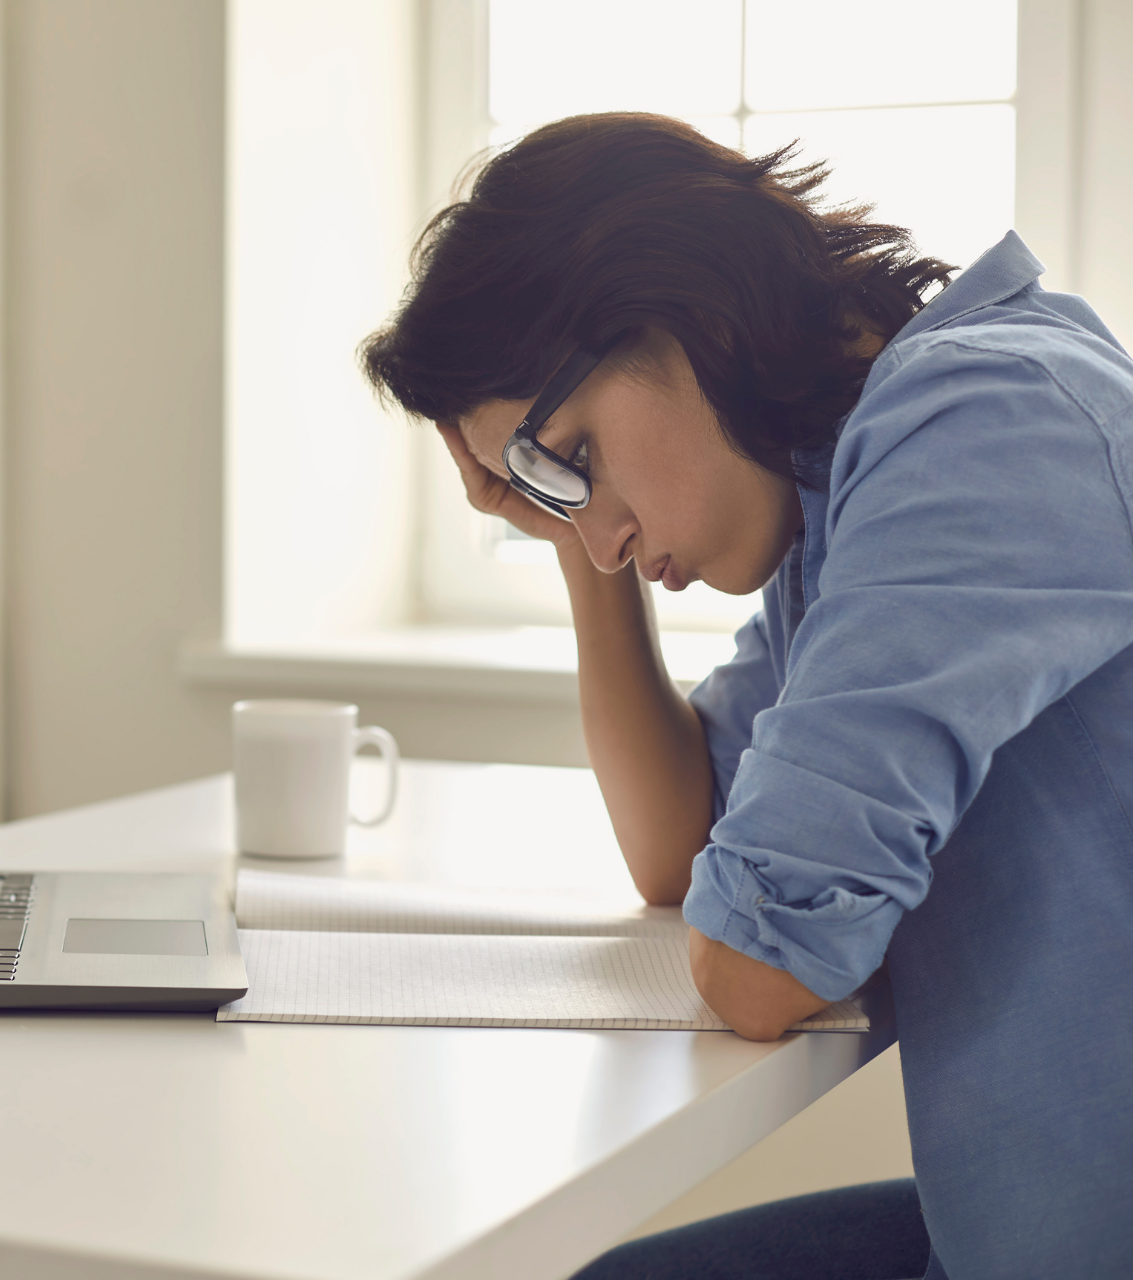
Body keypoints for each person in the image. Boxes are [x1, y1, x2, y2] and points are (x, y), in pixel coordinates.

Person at [360, 113, 1133, 1279]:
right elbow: (682, 853)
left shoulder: (985, 425)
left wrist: (583, 502)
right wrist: (580, 532)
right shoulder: (842, 493)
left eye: (571, 452)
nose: (603, 531)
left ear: (694, 319)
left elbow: (762, 967)